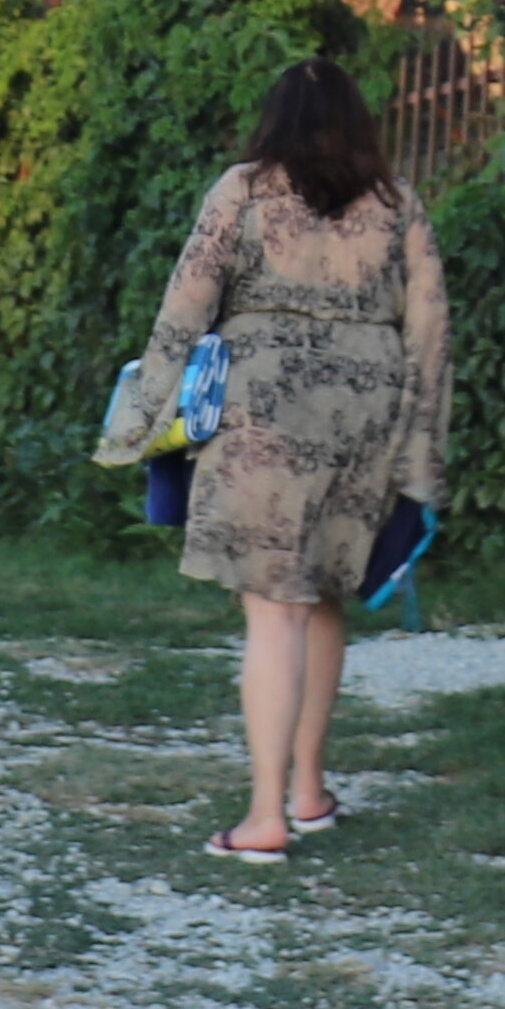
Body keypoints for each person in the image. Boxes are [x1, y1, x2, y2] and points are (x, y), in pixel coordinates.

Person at [149, 61, 446, 862]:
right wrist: (422, 448)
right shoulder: (398, 203)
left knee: (272, 607)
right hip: (365, 410)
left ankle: (264, 817)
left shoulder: (243, 189)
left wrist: (146, 412)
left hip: (264, 404)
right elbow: (430, 328)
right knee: (321, 595)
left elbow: (188, 299)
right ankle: (309, 791)